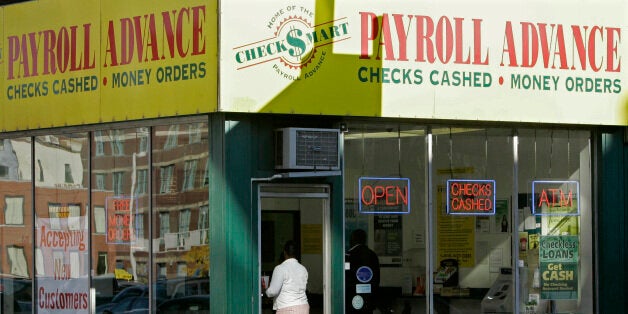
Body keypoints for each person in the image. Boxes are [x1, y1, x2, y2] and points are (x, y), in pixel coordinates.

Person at [265, 240, 309, 313]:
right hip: (304, 307)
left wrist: (265, 290)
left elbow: (273, 291)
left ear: (284, 252)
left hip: (287, 308)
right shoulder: (303, 268)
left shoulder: (280, 268)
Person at [346, 229, 380, 313]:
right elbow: (376, 279)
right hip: (368, 301)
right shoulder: (372, 255)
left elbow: (345, 278)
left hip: (351, 300)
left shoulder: (348, 256)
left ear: (353, 239)